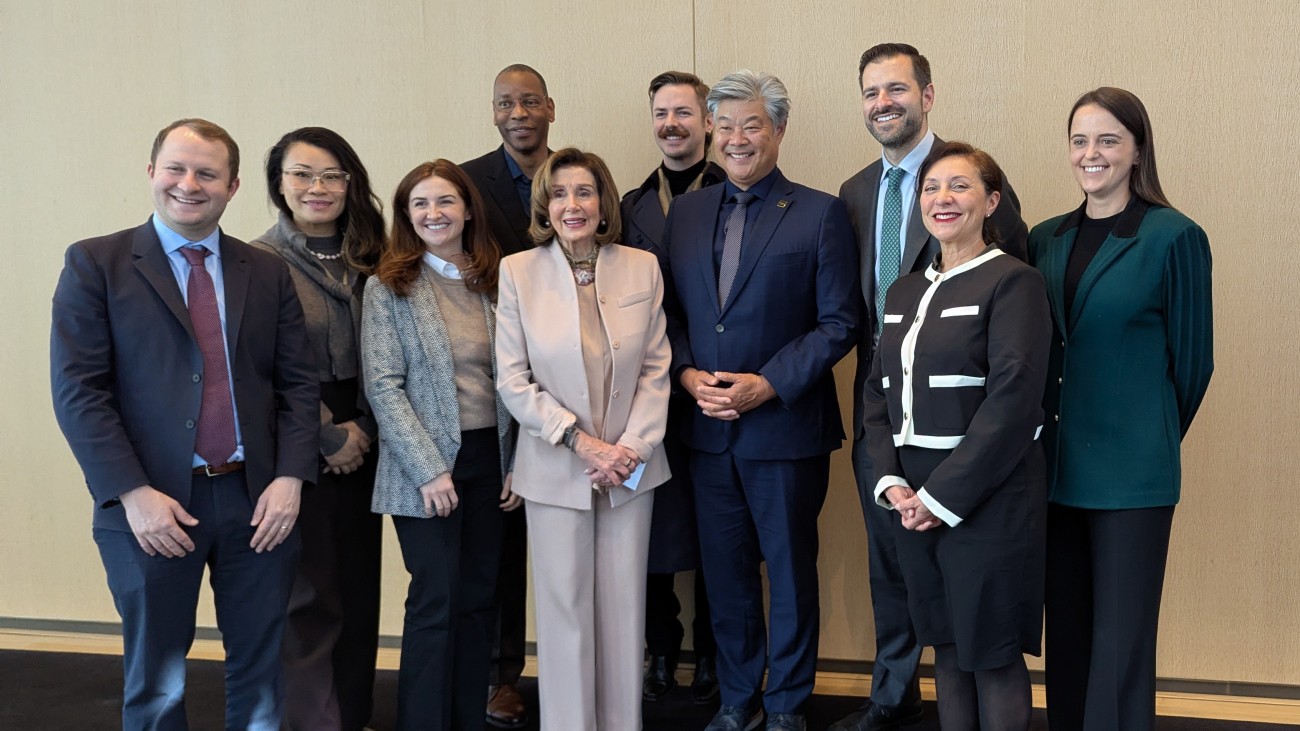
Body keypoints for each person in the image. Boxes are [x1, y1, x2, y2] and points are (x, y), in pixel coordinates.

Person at [50, 118, 318, 729]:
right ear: (152, 172)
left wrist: (291, 478)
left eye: (207, 173)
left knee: (262, 673)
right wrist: (132, 494)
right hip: (151, 505)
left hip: (259, 501)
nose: (189, 184)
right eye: (176, 168)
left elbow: (298, 384)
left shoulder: (266, 270)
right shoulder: (96, 263)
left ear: (233, 186)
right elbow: (78, 392)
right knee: (158, 680)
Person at [832, 43, 1028, 731]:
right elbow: (860, 322)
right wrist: (889, 467)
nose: (883, 102)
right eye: (871, 91)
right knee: (905, 584)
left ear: (927, 95)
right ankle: (893, 695)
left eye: (897, 88)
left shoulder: (985, 205)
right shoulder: (856, 193)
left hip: (971, 453)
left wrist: (949, 486)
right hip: (892, 432)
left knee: (982, 631)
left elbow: (1011, 362)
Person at [662, 70, 859, 731]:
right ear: (710, 131)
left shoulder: (820, 212)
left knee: (792, 572)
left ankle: (787, 703)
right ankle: (738, 695)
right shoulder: (687, 213)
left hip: (785, 429)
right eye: (726, 126)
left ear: (778, 129)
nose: (737, 139)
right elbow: (670, 314)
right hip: (707, 429)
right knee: (726, 575)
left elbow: (839, 322)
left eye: (752, 125)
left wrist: (767, 384)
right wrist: (686, 375)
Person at [1029, 87, 1214, 731]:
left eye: (1108, 140)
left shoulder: (1174, 236)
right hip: (1056, 471)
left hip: (1132, 474)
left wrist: (1145, 432)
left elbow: (1193, 365)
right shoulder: (1045, 238)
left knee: (1120, 645)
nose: (1092, 153)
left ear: (1137, 151)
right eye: (1080, 140)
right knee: (1068, 638)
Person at [863, 142, 1051, 731]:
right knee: (945, 646)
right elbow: (877, 395)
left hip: (989, 499)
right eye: (931, 188)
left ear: (992, 201)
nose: (942, 198)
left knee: (991, 653)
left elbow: (1014, 403)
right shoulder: (902, 291)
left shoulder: (1015, 282)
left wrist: (940, 498)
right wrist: (891, 482)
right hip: (911, 501)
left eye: (960, 186)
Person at [495, 147, 671, 731]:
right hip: (556, 464)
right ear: (544, 206)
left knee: (624, 612)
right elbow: (512, 380)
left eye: (585, 192)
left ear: (603, 203)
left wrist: (630, 449)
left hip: (630, 466)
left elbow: (656, 367)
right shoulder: (518, 271)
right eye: (559, 193)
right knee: (564, 613)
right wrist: (581, 443)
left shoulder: (642, 267)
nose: (572, 204)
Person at [362, 159, 518, 730]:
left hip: (490, 461)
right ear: (407, 216)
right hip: (423, 467)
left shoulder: (497, 282)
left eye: (445, 201)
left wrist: (515, 464)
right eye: (420, 204)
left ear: (468, 209)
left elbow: (518, 380)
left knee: (478, 600)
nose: (434, 213)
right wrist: (429, 469)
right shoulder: (389, 287)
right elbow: (383, 386)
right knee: (436, 600)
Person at [249, 126, 386, 731]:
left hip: (373, 428)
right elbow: (263, 368)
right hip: (296, 436)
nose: (317, 187)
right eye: (301, 174)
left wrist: (365, 428)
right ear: (279, 184)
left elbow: (397, 352)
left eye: (332, 174)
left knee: (358, 590)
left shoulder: (376, 255)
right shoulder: (257, 262)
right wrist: (331, 435)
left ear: (350, 183)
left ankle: (352, 715)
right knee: (309, 595)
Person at [620, 69, 725, 705]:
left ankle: (713, 652)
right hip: (645, 393)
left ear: (708, 122)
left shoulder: (734, 192)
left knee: (717, 528)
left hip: (713, 387)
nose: (671, 124)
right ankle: (661, 648)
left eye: (684, 112)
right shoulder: (629, 205)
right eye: (661, 113)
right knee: (651, 527)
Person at [461, 62, 555, 729]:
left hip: (576, 378)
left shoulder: (575, 175)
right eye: (505, 103)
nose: (517, 113)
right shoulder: (467, 182)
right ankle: (499, 676)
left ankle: (593, 659)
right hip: (497, 372)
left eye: (528, 101)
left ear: (550, 107)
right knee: (499, 546)